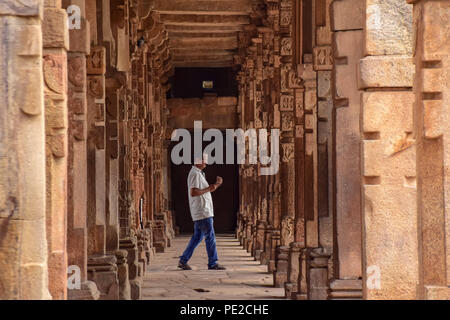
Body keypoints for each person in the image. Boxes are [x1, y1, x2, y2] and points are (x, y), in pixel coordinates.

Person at [178, 154, 226, 270]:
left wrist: (214, 186)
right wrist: (211, 187)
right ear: (198, 161)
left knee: (197, 237)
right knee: (210, 236)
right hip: (202, 211)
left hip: (203, 210)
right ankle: (213, 262)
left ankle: (183, 260)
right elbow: (194, 192)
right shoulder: (194, 174)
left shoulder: (198, 173)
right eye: (205, 160)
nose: (206, 163)